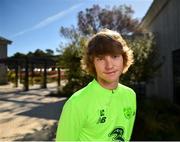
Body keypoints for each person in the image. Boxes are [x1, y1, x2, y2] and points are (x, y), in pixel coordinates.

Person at [56, 29, 136, 141]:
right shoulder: (76, 103)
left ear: (124, 58)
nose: (109, 66)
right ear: (92, 63)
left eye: (114, 56)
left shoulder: (130, 95)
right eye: (101, 59)